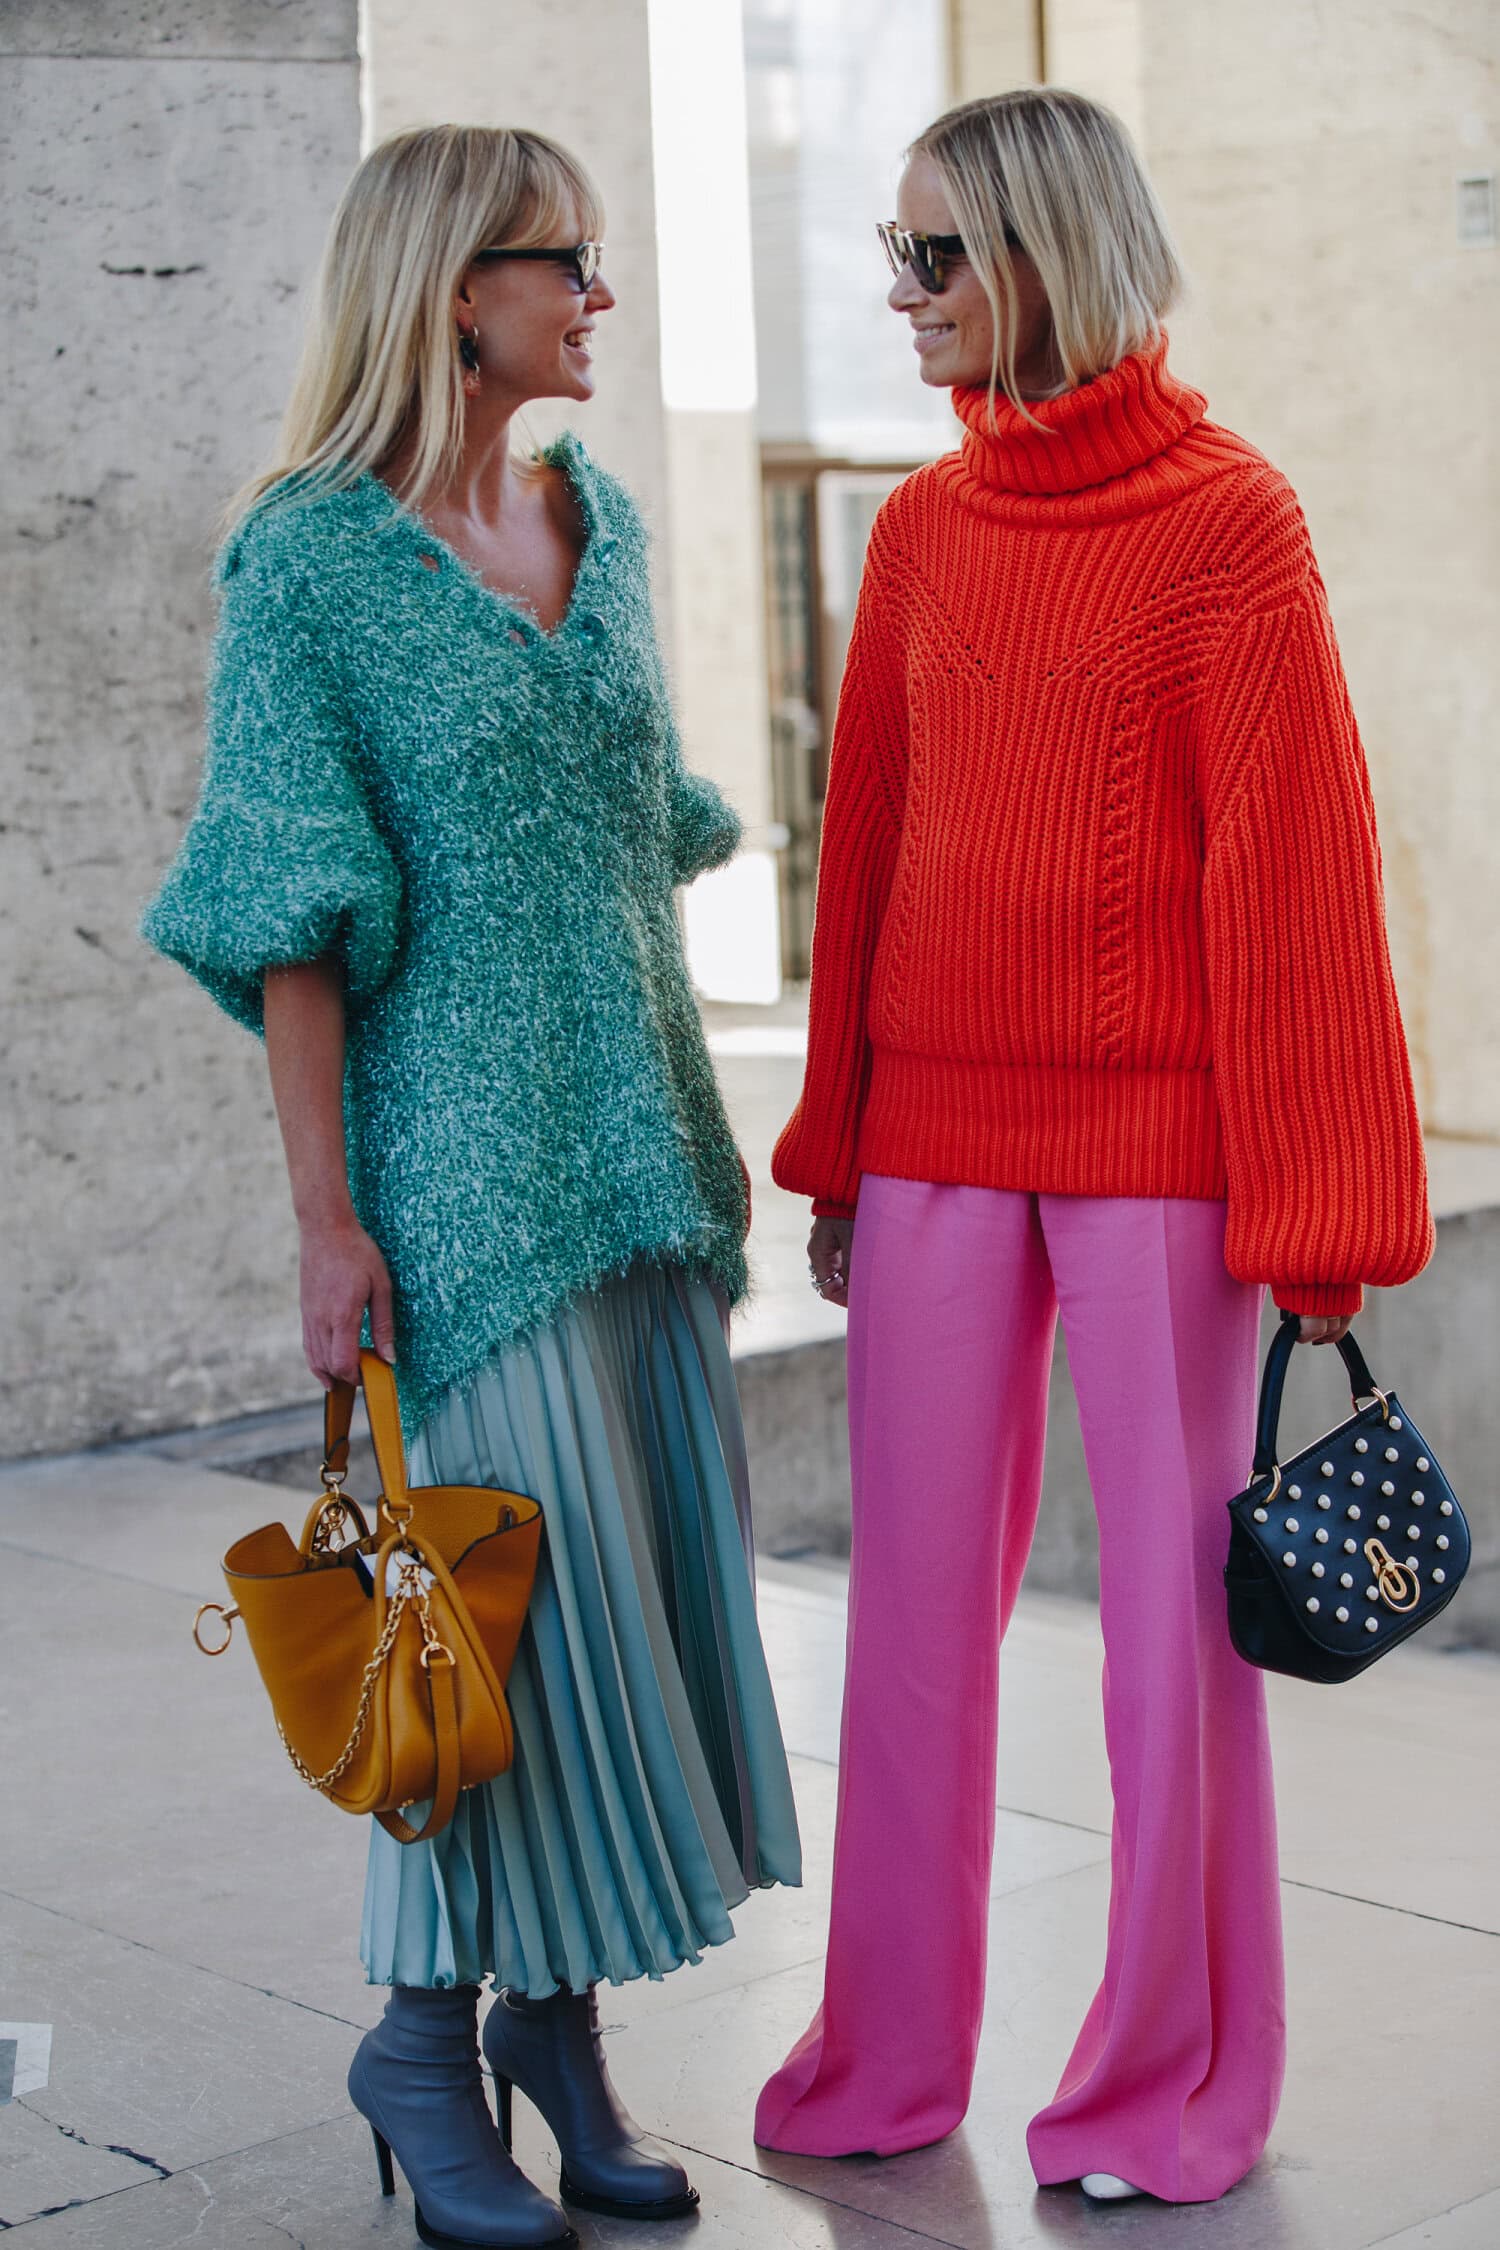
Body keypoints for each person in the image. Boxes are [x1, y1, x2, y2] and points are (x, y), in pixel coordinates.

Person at [754, 87, 1431, 2207]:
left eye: (937, 255)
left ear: (1050, 252)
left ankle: (1165, 2084)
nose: (903, 294)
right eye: (896, 251)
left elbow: (1297, 875)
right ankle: (884, 2054)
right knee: (909, 1632)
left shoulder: (1233, 522)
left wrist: (1324, 1206)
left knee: (1169, 1648)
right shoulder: (921, 532)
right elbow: (866, 848)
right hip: (938, 1141)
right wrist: (839, 1148)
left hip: (1163, 1164)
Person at [144, 123, 801, 2250]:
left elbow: (644, 832)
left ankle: (558, 2034)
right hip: (457, 1194)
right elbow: (290, 919)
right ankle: (423, 2046)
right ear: (454, 288)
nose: (600, 297)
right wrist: (326, 1221)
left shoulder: (597, 517)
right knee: (484, 1648)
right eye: (568, 262)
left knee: (617, 1624)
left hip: (646, 1163)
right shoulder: (308, 561)